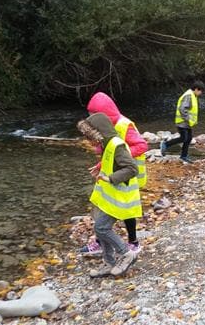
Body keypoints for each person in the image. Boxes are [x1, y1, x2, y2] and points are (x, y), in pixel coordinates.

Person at [80, 92, 148, 256]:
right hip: (113, 174)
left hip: (128, 175)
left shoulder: (125, 126)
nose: (91, 119)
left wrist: (122, 156)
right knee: (104, 204)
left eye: (94, 115)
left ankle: (132, 244)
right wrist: (101, 164)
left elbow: (142, 146)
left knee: (126, 209)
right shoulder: (105, 126)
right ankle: (101, 242)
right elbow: (109, 153)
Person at [77, 113, 141, 278]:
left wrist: (110, 178)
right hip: (108, 197)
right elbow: (113, 163)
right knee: (100, 227)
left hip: (119, 198)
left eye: (90, 136)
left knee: (101, 228)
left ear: (99, 132)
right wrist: (100, 168)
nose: (89, 141)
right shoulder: (108, 144)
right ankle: (109, 263)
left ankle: (126, 253)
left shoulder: (117, 145)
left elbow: (132, 169)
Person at [160, 81, 205, 163]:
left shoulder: (193, 95)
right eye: (201, 91)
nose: (201, 93)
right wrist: (189, 119)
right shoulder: (188, 95)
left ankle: (184, 156)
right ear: (196, 89)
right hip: (182, 122)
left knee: (188, 138)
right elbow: (182, 109)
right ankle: (165, 144)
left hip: (186, 123)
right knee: (184, 138)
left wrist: (192, 121)